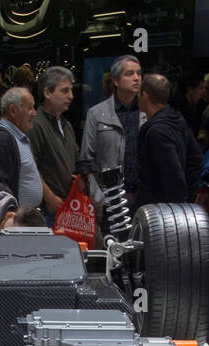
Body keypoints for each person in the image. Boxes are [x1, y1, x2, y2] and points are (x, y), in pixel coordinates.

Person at [78, 54, 144, 226]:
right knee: (113, 246)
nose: (136, 78)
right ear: (115, 81)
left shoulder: (147, 112)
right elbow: (86, 159)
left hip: (144, 193)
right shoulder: (97, 113)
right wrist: (96, 194)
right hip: (111, 195)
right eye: (129, 74)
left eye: (139, 73)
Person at [0, 86, 49, 215]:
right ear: (13, 110)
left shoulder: (18, 137)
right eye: (30, 108)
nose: (34, 113)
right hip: (14, 224)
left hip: (26, 219)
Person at [135, 72, 199, 205]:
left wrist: (180, 205)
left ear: (145, 95)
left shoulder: (157, 132)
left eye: (138, 93)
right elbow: (196, 159)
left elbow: (174, 175)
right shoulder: (177, 119)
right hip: (168, 208)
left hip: (160, 211)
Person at [28, 65, 77, 226]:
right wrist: (49, 197)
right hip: (47, 210)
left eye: (71, 90)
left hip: (67, 205)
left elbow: (74, 158)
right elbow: (29, 168)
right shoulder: (35, 125)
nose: (71, 96)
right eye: (64, 91)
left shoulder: (67, 125)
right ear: (47, 93)